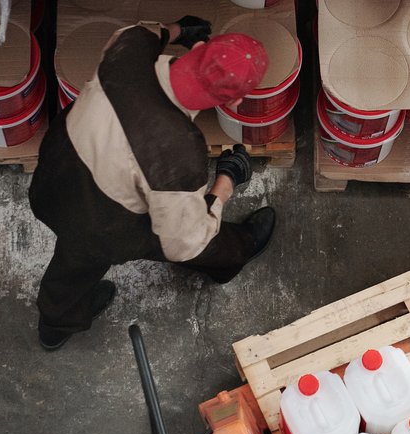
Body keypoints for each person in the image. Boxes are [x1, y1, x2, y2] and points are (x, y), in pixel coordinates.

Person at [27, 17, 278, 351]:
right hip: (102, 223)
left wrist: (176, 30)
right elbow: (183, 244)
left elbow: (143, 32)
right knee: (199, 232)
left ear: (199, 48)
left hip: (54, 177)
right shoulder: (178, 152)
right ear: (231, 103)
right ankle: (235, 255)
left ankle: (56, 326)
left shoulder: (128, 50)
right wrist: (227, 180)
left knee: (74, 259)